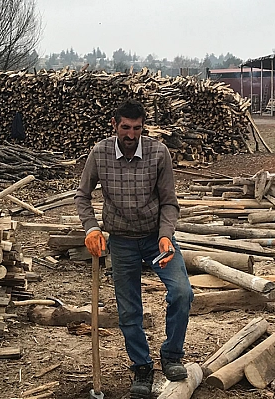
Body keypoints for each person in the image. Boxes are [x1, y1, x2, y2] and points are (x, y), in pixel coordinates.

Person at [74, 99, 193, 399]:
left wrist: (166, 235)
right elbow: (82, 196)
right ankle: (141, 367)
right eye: (125, 128)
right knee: (129, 310)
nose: (130, 135)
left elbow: (169, 202)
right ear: (114, 125)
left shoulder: (158, 153)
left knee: (182, 292)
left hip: (156, 237)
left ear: (143, 127)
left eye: (137, 128)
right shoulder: (100, 153)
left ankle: (171, 355)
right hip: (122, 240)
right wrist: (91, 228)